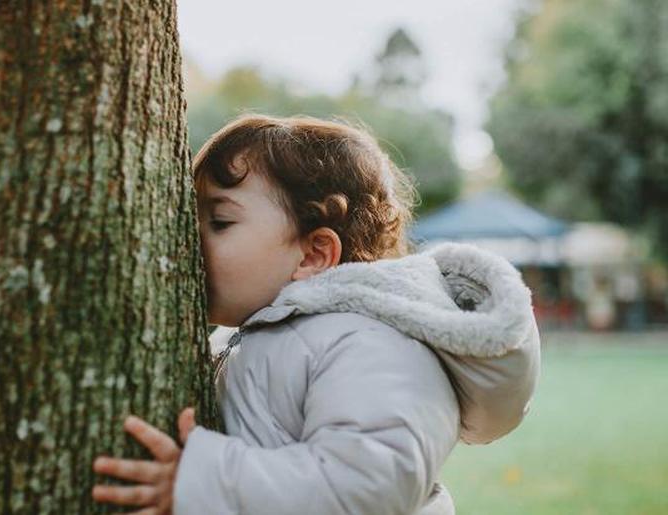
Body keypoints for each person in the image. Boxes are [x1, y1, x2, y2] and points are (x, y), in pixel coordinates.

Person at [91, 114, 541, 514]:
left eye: (220, 222)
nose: (190, 239)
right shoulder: (252, 336)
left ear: (313, 253)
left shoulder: (370, 343)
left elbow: (367, 490)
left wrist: (204, 481)